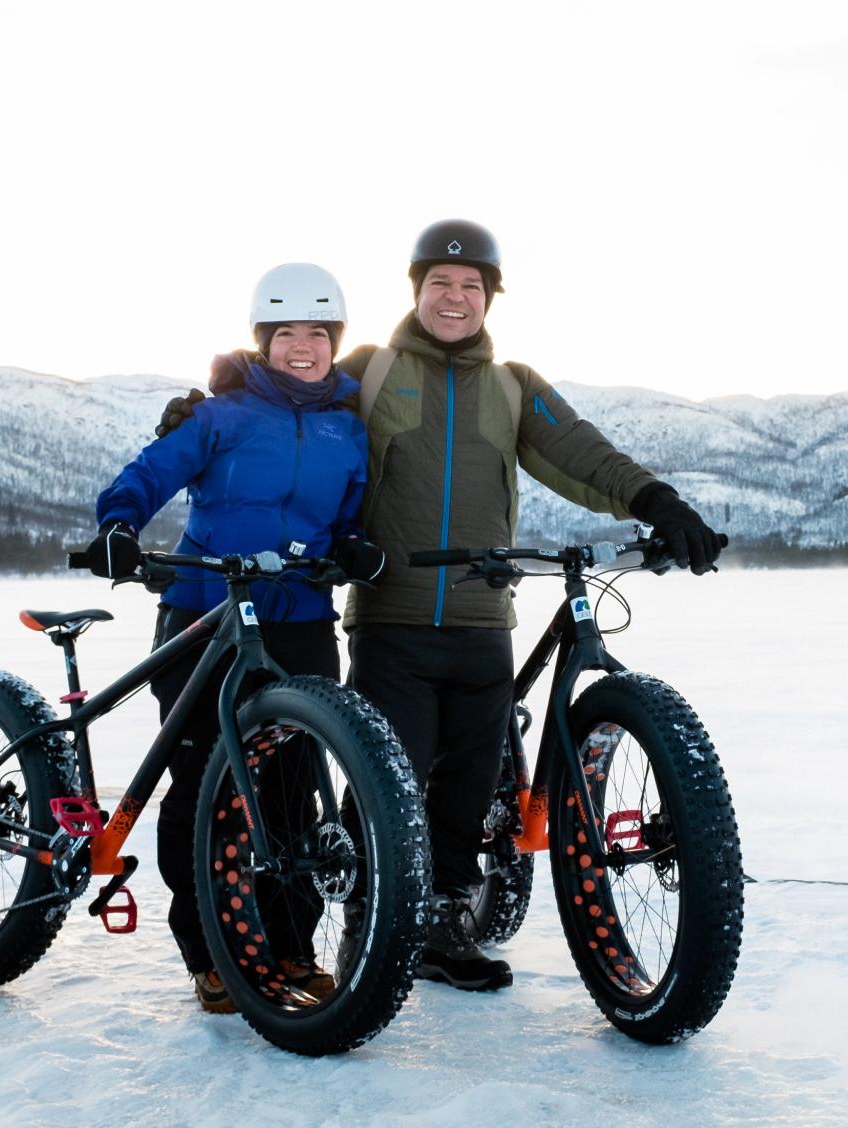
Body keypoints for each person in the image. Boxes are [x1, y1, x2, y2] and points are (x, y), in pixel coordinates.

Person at [159, 222, 723, 992]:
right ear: (417, 291)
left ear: (489, 298)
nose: (454, 298)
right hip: (391, 617)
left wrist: (658, 500)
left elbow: (581, 453)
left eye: (470, 287)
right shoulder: (371, 369)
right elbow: (291, 398)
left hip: (484, 620)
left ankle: (445, 918)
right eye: (439, 284)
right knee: (390, 778)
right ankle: (372, 915)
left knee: (468, 781)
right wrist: (216, 390)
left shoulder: (513, 385)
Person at [85, 262, 386, 1013]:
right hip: (205, 615)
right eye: (287, 334)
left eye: (317, 335)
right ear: (265, 341)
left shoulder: (348, 430)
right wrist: (119, 524)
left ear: (334, 342)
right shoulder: (219, 416)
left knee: (293, 801)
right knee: (201, 790)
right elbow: (150, 473)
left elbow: (350, 513)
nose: (303, 348)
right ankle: (211, 953)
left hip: (303, 622)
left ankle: (288, 949)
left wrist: (354, 545)